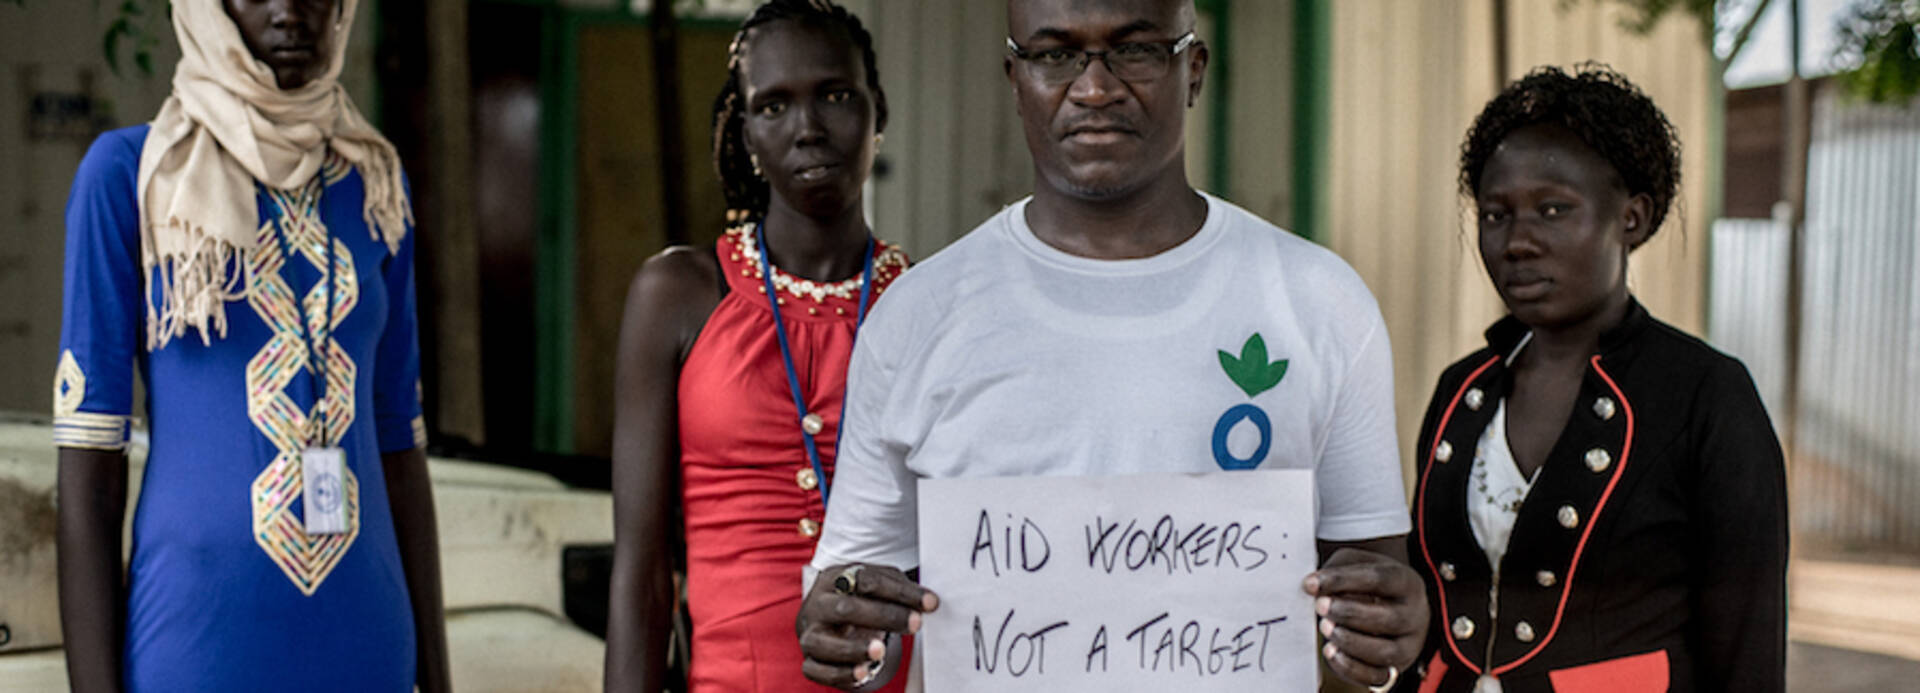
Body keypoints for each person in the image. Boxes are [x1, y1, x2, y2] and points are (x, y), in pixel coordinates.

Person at [792, 0, 1429, 690]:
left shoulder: (1321, 301)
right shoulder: (917, 317)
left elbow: (1367, 614)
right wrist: (839, 629)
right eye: (1056, 55)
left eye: (1136, 50)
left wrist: (1386, 632)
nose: (1095, 88)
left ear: (1193, 69)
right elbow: (852, 601)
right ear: (1015, 78)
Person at [53, 1, 448, 691]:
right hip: (195, 648)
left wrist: (438, 681)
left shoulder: (376, 187)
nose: (290, 10)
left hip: (368, 645)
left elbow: (399, 452)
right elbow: (89, 474)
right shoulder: (131, 176)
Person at [1399, 65, 1787, 693]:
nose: (1518, 241)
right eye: (1496, 215)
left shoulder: (1705, 395)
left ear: (1631, 219)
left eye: (1553, 210)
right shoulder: (1460, 393)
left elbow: (1747, 648)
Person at [602, 1, 912, 691]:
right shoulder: (678, 295)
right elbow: (642, 575)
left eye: (834, 95)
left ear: (876, 113)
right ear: (744, 133)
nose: (807, 129)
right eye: (774, 106)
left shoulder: (929, 306)